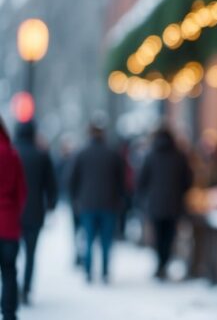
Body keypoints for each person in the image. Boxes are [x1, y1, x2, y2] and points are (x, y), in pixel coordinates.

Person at [69, 124, 125, 283]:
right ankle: (105, 271)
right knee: (106, 241)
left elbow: (72, 179)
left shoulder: (82, 154)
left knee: (88, 239)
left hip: (87, 204)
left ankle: (88, 271)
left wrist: (76, 199)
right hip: (109, 204)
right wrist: (120, 198)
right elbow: (121, 181)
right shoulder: (113, 154)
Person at [138, 128, 192, 280]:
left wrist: (144, 198)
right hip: (174, 204)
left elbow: (142, 180)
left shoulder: (150, 155)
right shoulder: (179, 156)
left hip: (155, 204)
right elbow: (187, 180)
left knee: (158, 235)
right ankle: (164, 263)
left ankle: (160, 264)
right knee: (169, 236)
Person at [14, 121, 57, 304]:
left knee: (10, 254)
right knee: (31, 254)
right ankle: (26, 288)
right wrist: (51, 204)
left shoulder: (10, 153)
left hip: (12, 213)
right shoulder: (42, 155)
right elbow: (51, 184)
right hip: (34, 212)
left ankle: (12, 287)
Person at [0, 117, 27, 320]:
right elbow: (21, 191)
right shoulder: (12, 154)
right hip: (8, 224)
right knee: (9, 272)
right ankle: (9, 313)